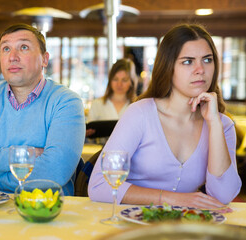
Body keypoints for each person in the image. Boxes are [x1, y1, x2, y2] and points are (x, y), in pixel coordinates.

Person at [88, 24, 242, 209]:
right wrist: (173, 199)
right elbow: (99, 186)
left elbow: (223, 196)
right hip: (129, 225)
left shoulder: (222, 125)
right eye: (188, 61)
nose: (200, 69)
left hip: (182, 230)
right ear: (168, 67)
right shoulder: (140, 114)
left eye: (207, 60)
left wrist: (214, 123)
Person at [0, 23, 85, 196]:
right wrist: (25, 154)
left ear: (44, 59)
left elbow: (55, 173)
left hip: (45, 211)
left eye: (23, 47)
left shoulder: (66, 102)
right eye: (6, 49)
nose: (12, 57)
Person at [86, 58, 136, 137]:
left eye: (124, 80)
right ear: (110, 80)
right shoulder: (97, 104)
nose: (119, 84)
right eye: (115, 79)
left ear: (131, 82)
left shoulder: (137, 106)